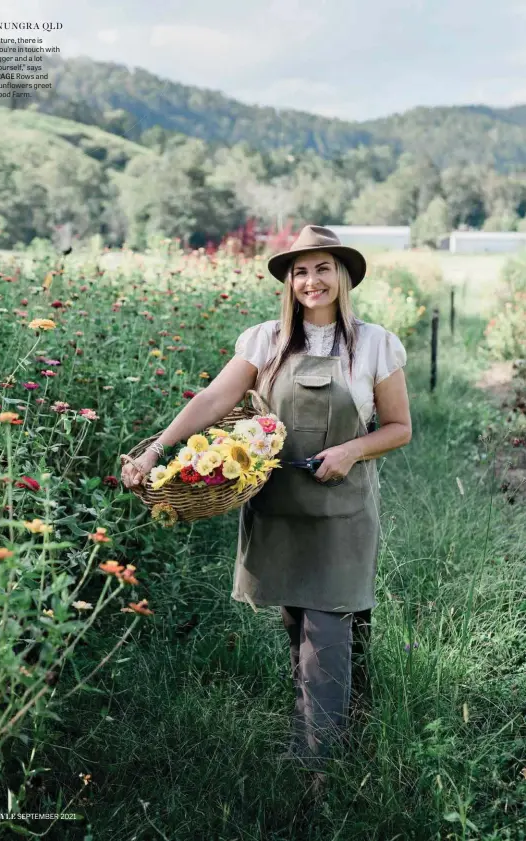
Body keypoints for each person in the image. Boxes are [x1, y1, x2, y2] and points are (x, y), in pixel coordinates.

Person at [121, 225, 412, 789]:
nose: (311, 281)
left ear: (343, 275)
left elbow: (399, 428)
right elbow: (212, 399)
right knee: (298, 621)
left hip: (342, 509)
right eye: (300, 271)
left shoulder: (377, 344)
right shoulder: (264, 341)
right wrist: (155, 450)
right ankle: (332, 720)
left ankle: (318, 767)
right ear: (288, 281)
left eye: (323, 268)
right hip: (276, 505)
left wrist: (352, 449)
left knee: (326, 621)